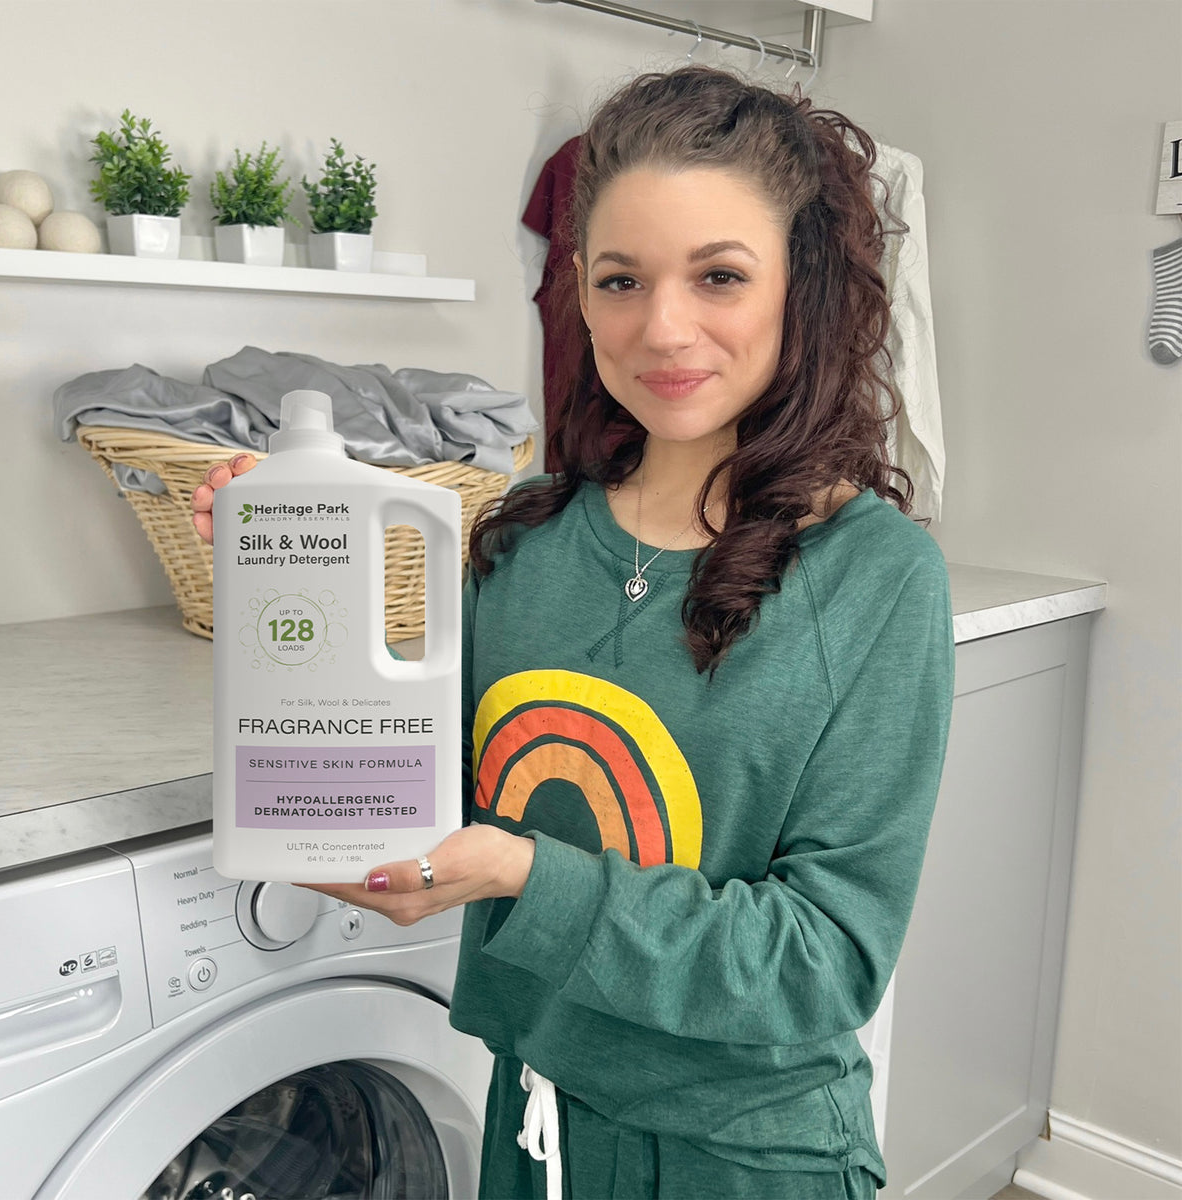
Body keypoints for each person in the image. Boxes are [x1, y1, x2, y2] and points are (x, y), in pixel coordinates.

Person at [193, 66, 954, 1200]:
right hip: (532, 1128)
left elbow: (826, 962)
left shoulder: (877, 577)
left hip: (746, 1159)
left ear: (803, 289)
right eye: (620, 279)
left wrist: (519, 874)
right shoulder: (528, 543)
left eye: (720, 276)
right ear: (581, 300)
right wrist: (291, 565)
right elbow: (429, 790)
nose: (664, 326)